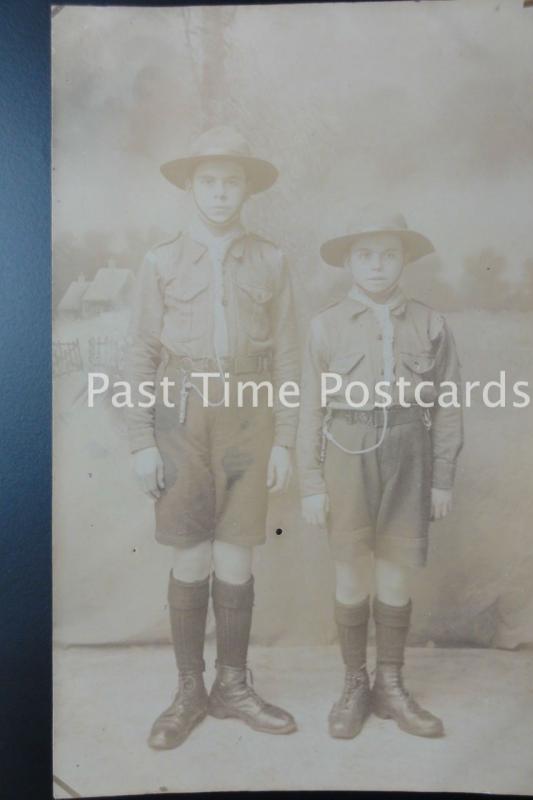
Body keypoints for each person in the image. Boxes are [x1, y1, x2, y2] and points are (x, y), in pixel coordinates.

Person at [126, 125, 299, 749]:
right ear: (191, 187)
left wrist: (284, 439)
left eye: (233, 182)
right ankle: (188, 689)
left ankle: (233, 685)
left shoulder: (272, 260)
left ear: (248, 189)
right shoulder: (161, 259)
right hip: (182, 412)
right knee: (191, 553)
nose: (221, 193)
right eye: (210, 181)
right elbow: (141, 352)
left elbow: (286, 352)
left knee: (236, 554)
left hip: (251, 412)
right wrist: (141, 441)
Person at [297, 209, 463, 739]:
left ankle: (391, 685)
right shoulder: (324, 326)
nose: (376, 264)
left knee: (395, 571)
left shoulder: (431, 323)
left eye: (388, 253)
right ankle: (355, 683)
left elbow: (450, 407)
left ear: (404, 260)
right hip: (347, 450)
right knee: (350, 571)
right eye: (365, 254)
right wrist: (311, 481)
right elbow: (308, 409)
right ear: (348, 260)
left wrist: (441, 478)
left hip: (411, 452)